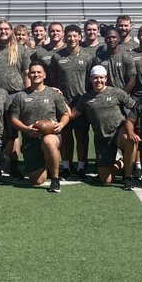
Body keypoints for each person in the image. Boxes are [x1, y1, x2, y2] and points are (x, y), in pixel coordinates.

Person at [8, 59, 70, 193]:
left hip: (51, 135)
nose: (36, 75)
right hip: (30, 139)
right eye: (33, 72)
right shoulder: (20, 96)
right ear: (28, 75)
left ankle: (55, 179)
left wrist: (61, 124)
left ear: (44, 75)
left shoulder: (53, 93)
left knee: (48, 141)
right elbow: (13, 118)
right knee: (37, 181)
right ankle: (45, 163)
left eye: (39, 72)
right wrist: (26, 129)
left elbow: (65, 114)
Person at [72, 65, 135, 186]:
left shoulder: (117, 92)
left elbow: (135, 107)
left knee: (129, 139)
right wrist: (58, 96)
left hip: (118, 132)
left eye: (101, 77)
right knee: (105, 181)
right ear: (91, 79)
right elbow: (71, 115)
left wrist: (131, 125)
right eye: (95, 78)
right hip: (102, 137)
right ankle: (120, 163)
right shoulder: (85, 98)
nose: (98, 80)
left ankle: (128, 177)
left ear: (106, 78)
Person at [49, 24, 94, 179]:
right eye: (69, 36)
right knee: (66, 135)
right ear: (65, 37)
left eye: (75, 36)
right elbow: (53, 78)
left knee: (82, 135)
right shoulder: (57, 56)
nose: (72, 39)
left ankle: (82, 166)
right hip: (63, 102)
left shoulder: (88, 56)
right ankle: (66, 166)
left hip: (81, 103)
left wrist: (84, 97)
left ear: (80, 37)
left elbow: (90, 80)